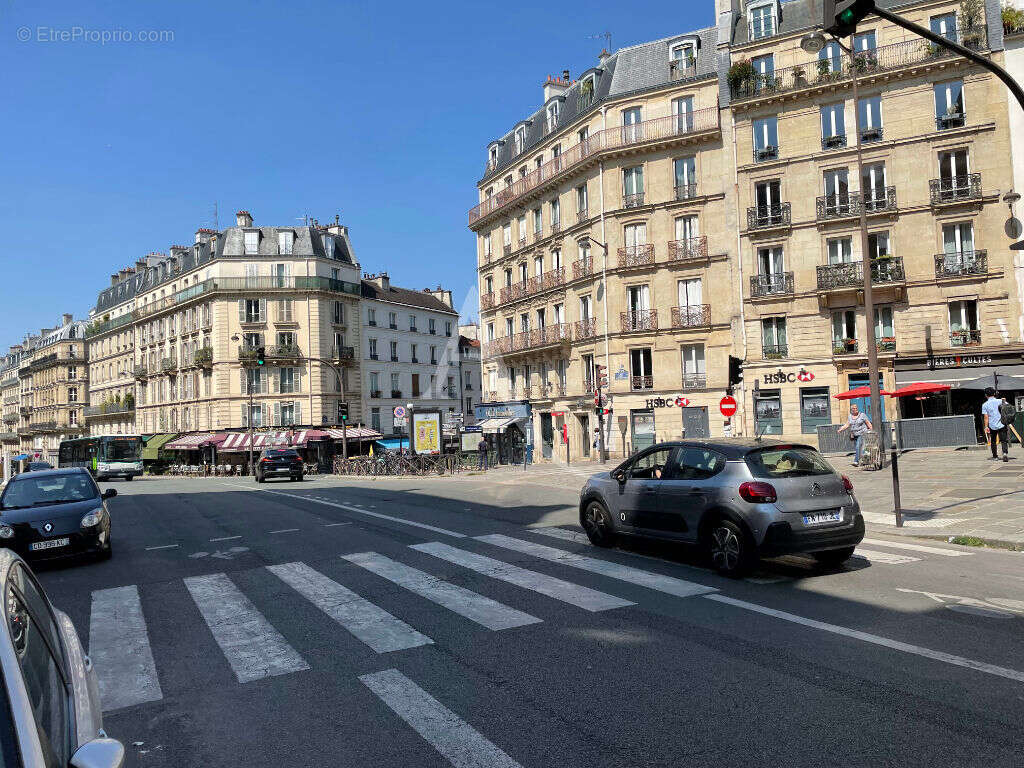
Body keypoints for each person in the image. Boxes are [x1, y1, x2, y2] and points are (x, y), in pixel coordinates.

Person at [982, 387, 1010, 462]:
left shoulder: (985, 405)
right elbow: (1008, 408)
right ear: (994, 394)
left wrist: (986, 426)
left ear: (986, 395)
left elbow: (986, 417)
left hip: (992, 425)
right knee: (1003, 440)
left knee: (993, 441)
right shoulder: (1001, 401)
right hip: (1002, 423)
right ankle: (1004, 453)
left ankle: (995, 456)